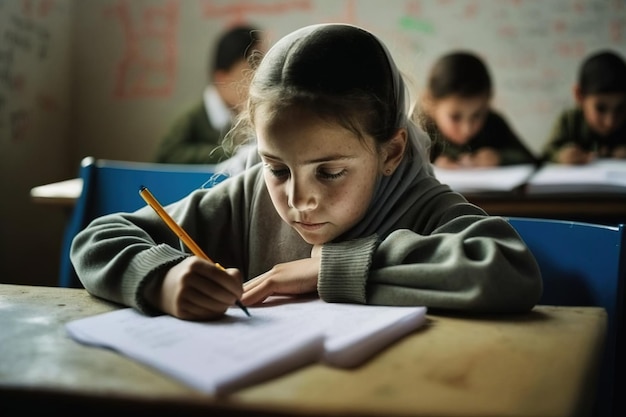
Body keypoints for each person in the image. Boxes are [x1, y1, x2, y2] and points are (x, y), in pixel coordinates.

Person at [71, 24, 542, 321]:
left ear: (391, 151)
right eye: (277, 167)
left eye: (331, 172)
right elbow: (98, 238)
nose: (299, 199)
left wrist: (328, 269)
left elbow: (509, 270)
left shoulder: (418, 204)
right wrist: (163, 280)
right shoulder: (247, 197)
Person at [154, 25, 264, 164]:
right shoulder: (192, 118)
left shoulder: (256, 112)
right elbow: (167, 156)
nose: (257, 80)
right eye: (249, 72)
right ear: (222, 78)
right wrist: (233, 153)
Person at [418, 51, 537, 168]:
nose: (467, 129)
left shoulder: (493, 123)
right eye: (455, 117)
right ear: (430, 104)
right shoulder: (417, 128)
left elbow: (531, 159)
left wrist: (498, 158)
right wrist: (430, 165)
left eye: (477, 115)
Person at [542, 50, 626, 164]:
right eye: (600, 108)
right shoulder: (569, 120)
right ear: (579, 95)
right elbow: (546, 153)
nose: (610, 122)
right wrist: (561, 155)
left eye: (620, 108)